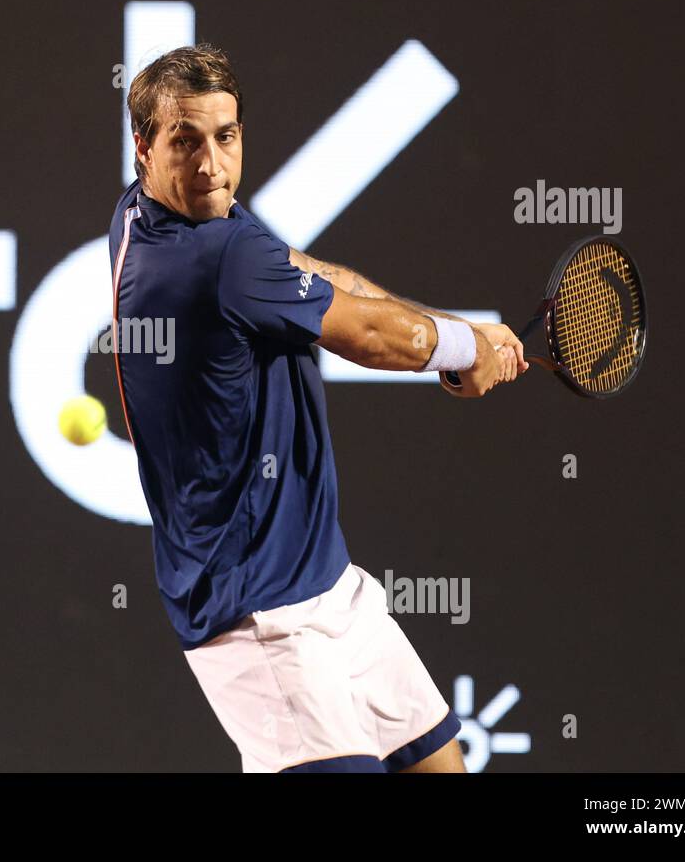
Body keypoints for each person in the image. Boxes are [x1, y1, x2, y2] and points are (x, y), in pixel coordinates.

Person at [108, 43, 527, 772]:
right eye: (185, 142)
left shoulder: (144, 218)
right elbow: (365, 335)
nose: (211, 165)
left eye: (225, 137)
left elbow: (311, 274)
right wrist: (466, 349)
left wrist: (464, 335)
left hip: (328, 584)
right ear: (144, 147)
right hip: (261, 617)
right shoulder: (217, 261)